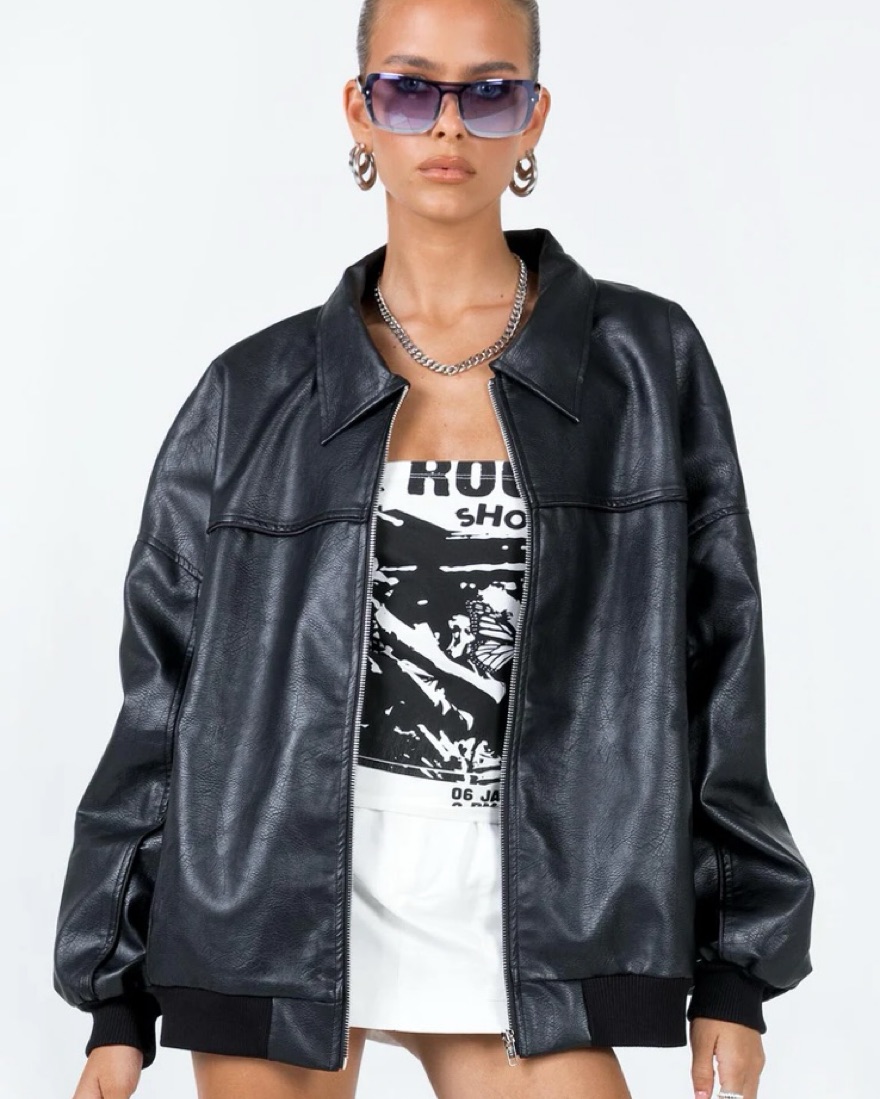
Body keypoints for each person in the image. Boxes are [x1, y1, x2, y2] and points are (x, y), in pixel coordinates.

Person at [54, 0, 815, 1097]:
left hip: (538, 926)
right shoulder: (251, 393)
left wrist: (736, 967)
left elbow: (721, 665)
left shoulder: (643, 365)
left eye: (489, 91)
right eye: (410, 89)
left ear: (534, 116)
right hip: (272, 920)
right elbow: (161, 704)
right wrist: (115, 996)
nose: (448, 125)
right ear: (359, 111)